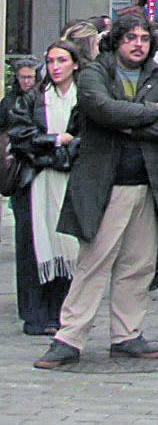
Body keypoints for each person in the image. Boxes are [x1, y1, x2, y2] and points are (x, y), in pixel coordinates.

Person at [34, 14, 158, 370]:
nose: (138, 44)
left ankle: (126, 335)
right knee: (93, 263)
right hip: (106, 185)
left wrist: (133, 127)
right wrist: (151, 111)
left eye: (144, 39)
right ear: (116, 41)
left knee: (139, 265)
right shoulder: (95, 73)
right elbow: (102, 109)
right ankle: (69, 338)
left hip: (149, 185)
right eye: (131, 38)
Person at [6, 45, 78, 335]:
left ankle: (60, 312)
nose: (55, 67)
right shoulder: (33, 97)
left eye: (62, 60)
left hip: (70, 184)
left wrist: (59, 150)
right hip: (32, 183)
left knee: (68, 245)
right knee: (32, 249)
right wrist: (57, 141)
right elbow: (21, 137)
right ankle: (35, 316)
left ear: (75, 64)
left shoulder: (84, 98)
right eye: (50, 61)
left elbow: (86, 140)